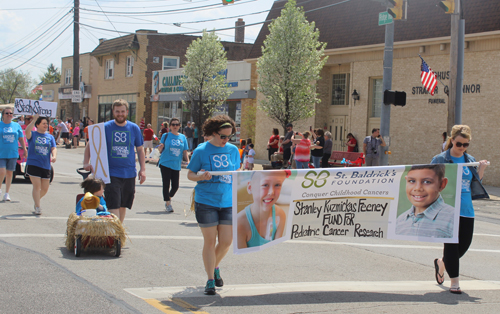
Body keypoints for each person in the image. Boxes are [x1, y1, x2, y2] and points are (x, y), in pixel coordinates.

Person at [431, 125, 489, 294]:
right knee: (451, 244)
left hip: (466, 208)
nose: (462, 148)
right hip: (447, 207)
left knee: (464, 244)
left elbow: (474, 183)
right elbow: (430, 179)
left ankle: (442, 263)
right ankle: (454, 282)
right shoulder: (440, 159)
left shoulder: (470, 159)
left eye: (466, 145)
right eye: (459, 144)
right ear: (452, 141)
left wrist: (481, 170)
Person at [187, 115, 240, 296]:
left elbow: (237, 170)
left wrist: (239, 175)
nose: (226, 140)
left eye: (229, 137)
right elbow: (190, 175)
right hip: (206, 201)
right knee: (210, 241)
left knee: (226, 241)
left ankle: (215, 266)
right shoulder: (201, 151)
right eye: (223, 136)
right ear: (213, 133)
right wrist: (201, 176)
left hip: (227, 201)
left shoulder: (233, 150)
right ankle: (210, 280)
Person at [83, 99, 146, 223]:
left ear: (127, 112)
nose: (120, 114)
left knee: (123, 205)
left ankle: (118, 232)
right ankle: (114, 232)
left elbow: (140, 149)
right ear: (113, 112)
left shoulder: (134, 128)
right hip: (110, 173)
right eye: (117, 111)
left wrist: (142, 170)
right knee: (114, 205)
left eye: (122, 111)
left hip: (129, 173)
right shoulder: (105, 127)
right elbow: (91, 144)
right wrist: (86, 162)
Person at [395, 164, 455, 238]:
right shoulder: (400, 220)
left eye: (427, 182)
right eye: (412, 181)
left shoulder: (453, 218)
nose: (418, 188)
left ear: (442, 184)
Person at [237, 171, 287, 249]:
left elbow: (277, 251)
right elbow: (242, 258)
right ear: (250, 188)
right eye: (265, 185)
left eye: (277, 185)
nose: (271, 192)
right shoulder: (240, 222)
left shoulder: (280, 214)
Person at [25, 114, 57, 215]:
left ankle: (36, 200)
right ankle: (38, 207)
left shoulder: (50, 137)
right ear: (37, 125)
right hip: (33, 163)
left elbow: (53, 148)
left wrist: (54, 156)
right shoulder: (33, 134)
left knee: (45, 188)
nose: (46, 125)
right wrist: (34, 119)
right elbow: (27, 131)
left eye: (47, 123)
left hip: (46, 165)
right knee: (37, 186)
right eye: (43, 123)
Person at [158, 118, 189, 213]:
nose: (175, 126)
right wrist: (160, 148)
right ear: (170, 126)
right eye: (173, 124)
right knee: (166, 184)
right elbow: (160, 149)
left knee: (175, 186)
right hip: (165, 162)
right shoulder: (166, 135)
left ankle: (169, 197)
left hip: (176, 164)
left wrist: (187, 161)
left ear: (179, 126)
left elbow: (185, 151)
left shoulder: (183, 137)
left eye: (177, 124)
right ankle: (168, 204)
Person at [0, 106, 27, 201]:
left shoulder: (16, 126)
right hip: (1, 153)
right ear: (3, 115)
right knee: (2, 171)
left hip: (13, 153)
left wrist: (24, 149)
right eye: (7, 113)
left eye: (10, 113)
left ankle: (6, 193)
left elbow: (21, 138)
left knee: (9, 173)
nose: (9, 115)